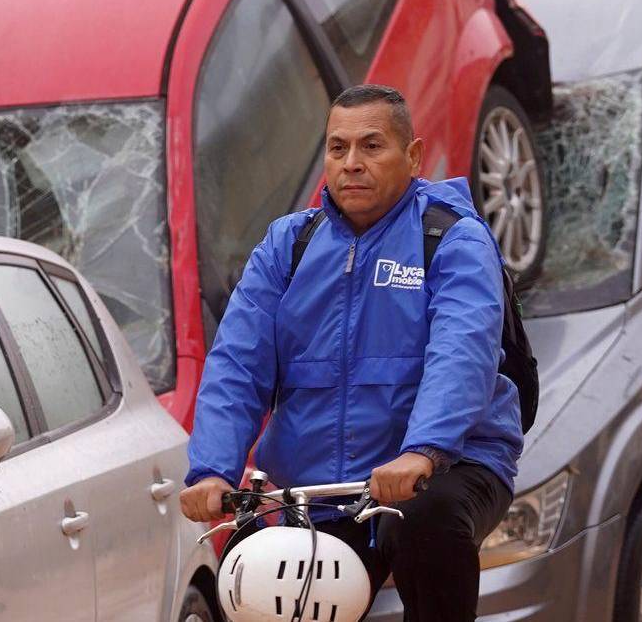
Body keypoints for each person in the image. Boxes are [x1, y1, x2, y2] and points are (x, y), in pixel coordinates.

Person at [181, 83, 522, 622]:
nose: (352, 163)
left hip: (446, 464)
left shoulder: (452, 238)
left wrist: (424, 451)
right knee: (267, 589)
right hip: (321, 486)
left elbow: (462, 353)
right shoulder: (287, 245)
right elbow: (237, 365)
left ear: (412, 155)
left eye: (372, 146)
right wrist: (211, 470)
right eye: (338, 148)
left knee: (422, 523)